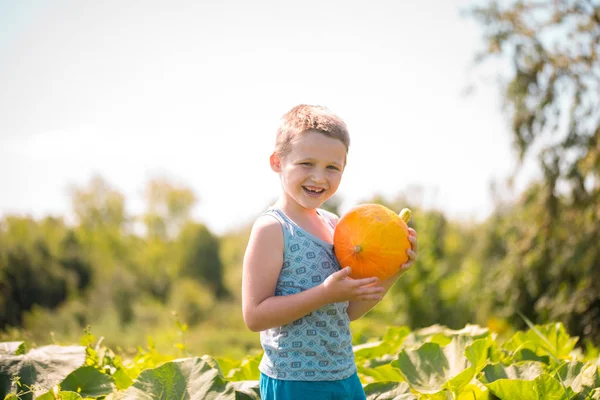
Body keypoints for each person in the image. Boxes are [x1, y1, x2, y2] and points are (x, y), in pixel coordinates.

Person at [242, 104, 418, 400]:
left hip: (343, 376)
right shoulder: (273, 228)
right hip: (294, 382)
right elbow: (255, 316)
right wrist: (324, 293)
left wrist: (393, 272)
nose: (319, 178)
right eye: (306, 164)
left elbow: (346, 312)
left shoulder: (337, 226)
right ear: (277, 162)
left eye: (332, 168)